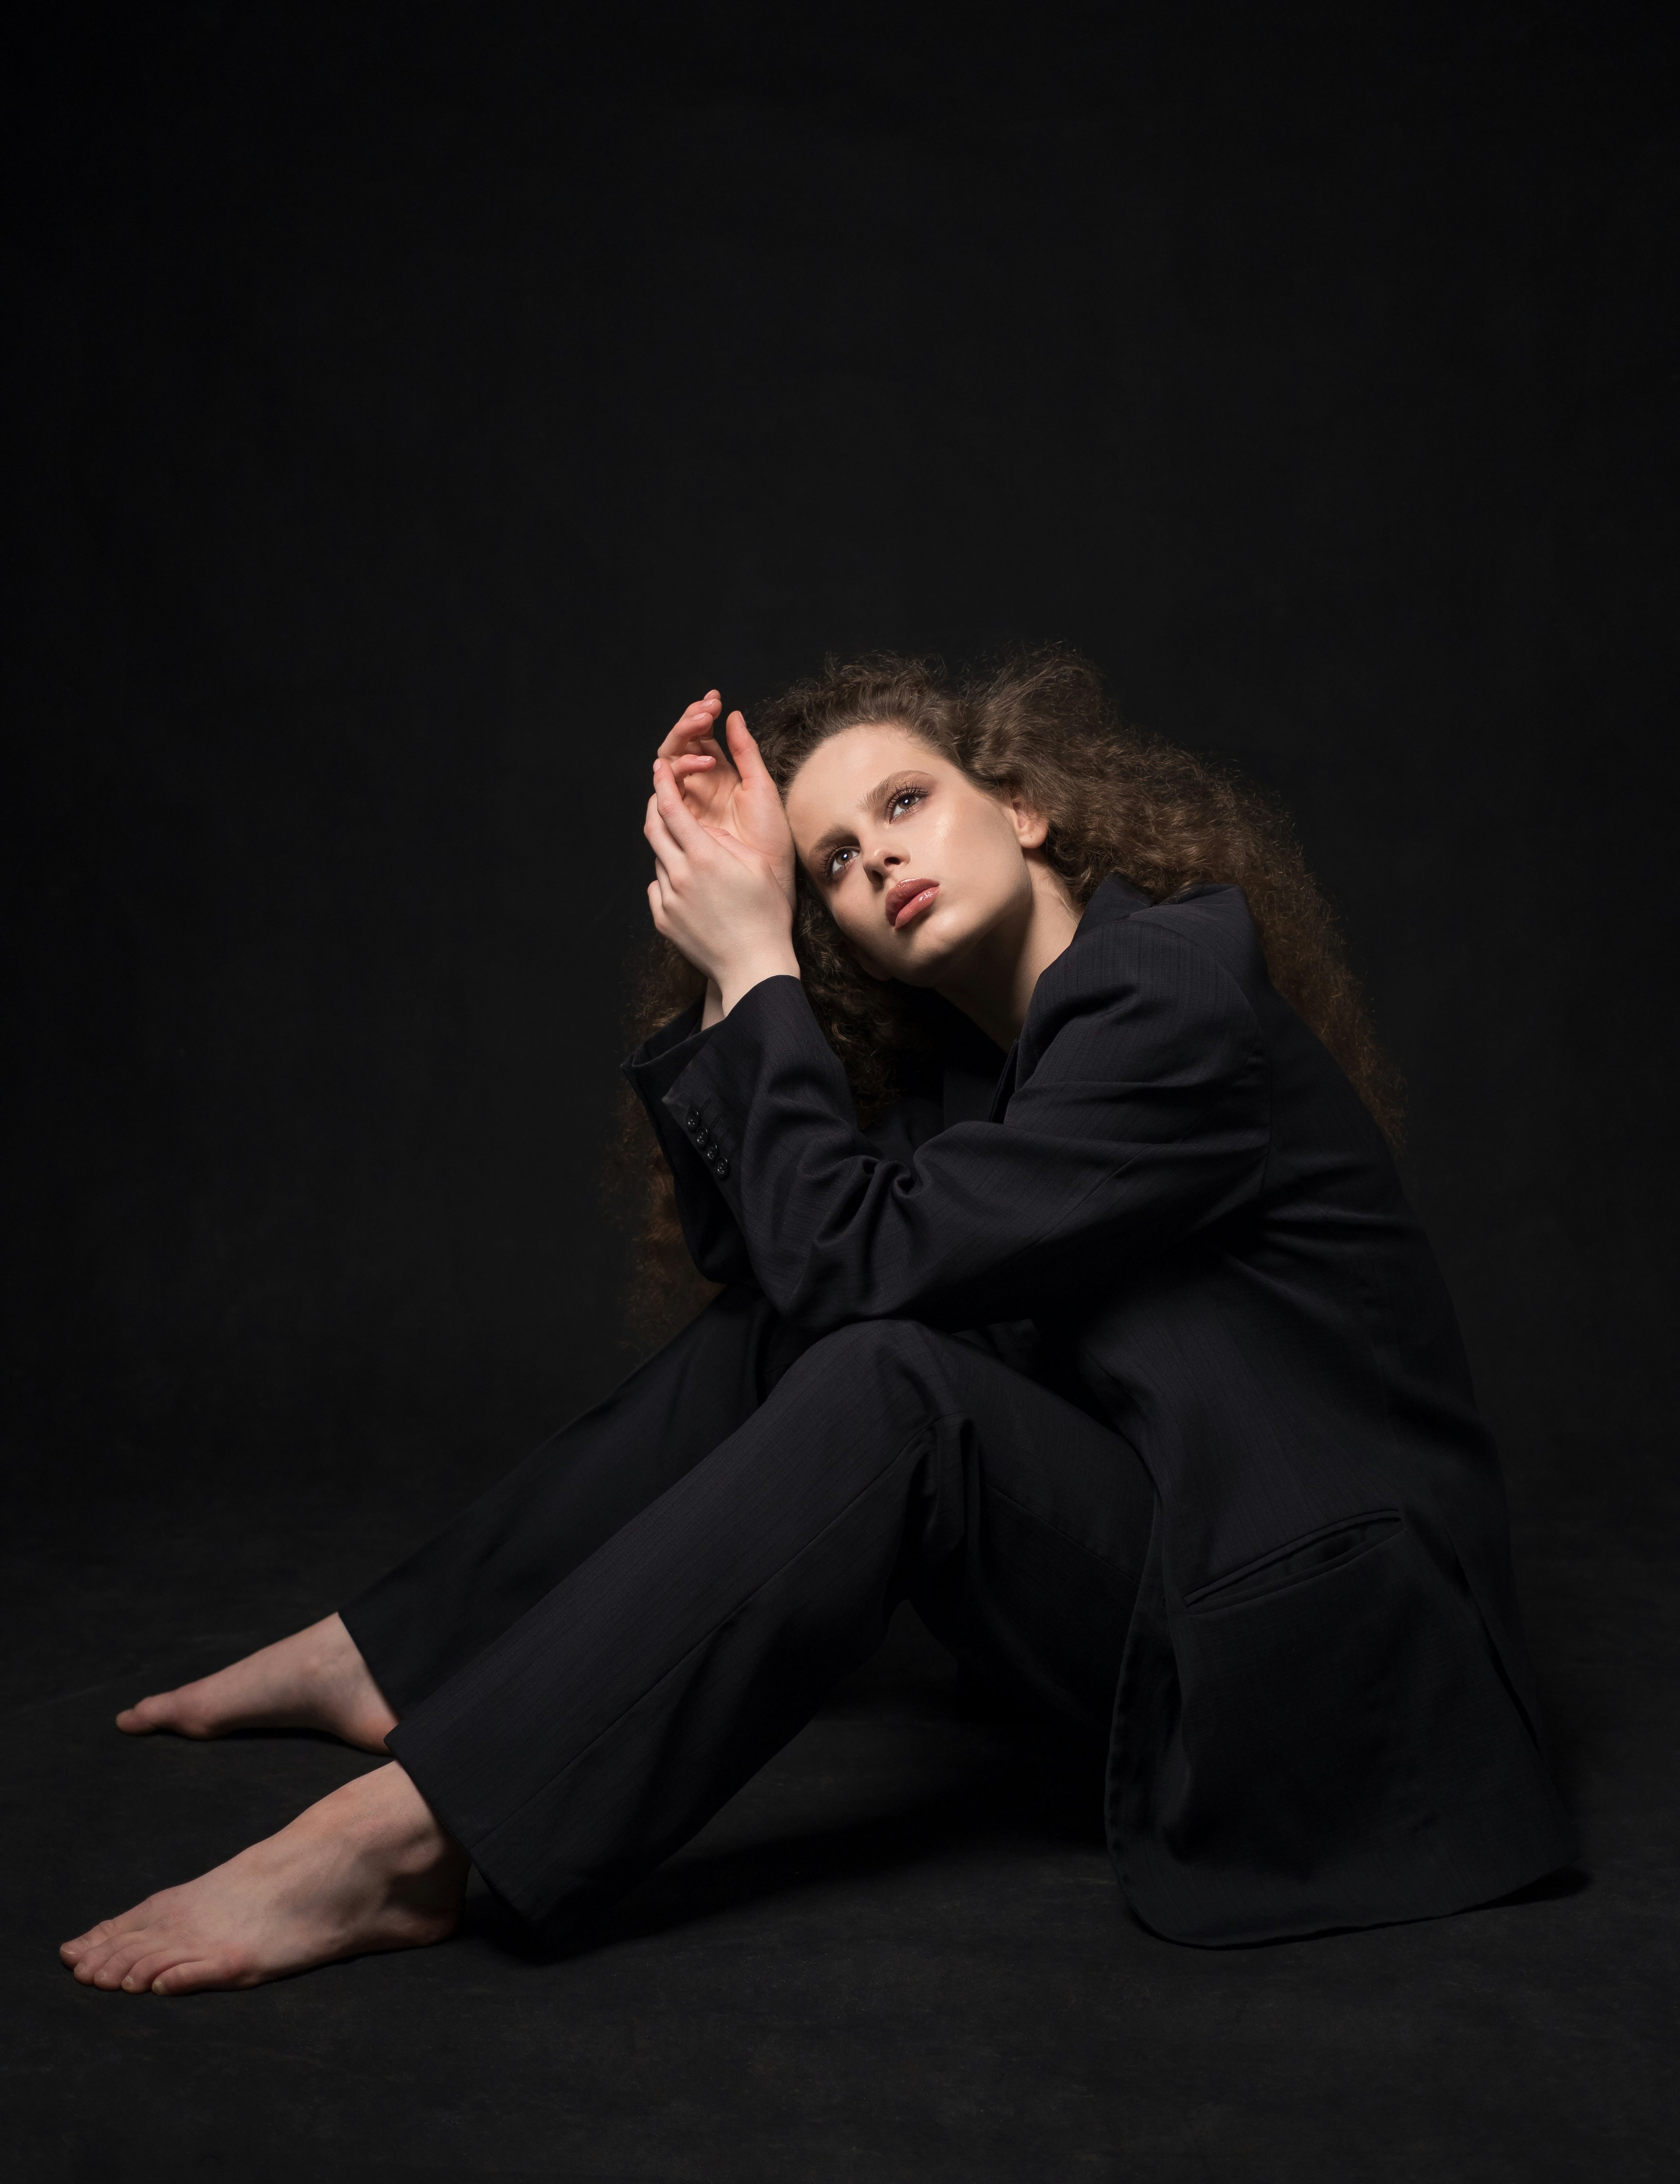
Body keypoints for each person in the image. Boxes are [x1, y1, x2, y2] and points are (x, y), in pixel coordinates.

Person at [59, 650, 1574, 1997]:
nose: (879, 862)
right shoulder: (986, 1069)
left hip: (1339, 1665)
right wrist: (745, 951)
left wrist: (760, 959)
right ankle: (402, 1656)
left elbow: (862, 1271)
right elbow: (781, 1274)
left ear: (1027, 805)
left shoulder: (1166, 997)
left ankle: (409, 1839)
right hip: (1191, 1585)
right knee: (805, 1342)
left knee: (898, 1387)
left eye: (905, 805)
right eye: (835, 862)